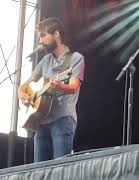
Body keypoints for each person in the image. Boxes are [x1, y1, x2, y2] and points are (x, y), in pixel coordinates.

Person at [18, 17, 85, 162]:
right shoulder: (46, 60)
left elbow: (74, 86)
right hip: (41, 121)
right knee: (38, 171)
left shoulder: (75, 58)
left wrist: (60, 85)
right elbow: (24, 86)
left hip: (63, 119)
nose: (40, 41)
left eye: (43, 35)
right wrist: (21, 93)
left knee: (60, 170)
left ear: (56, 34)